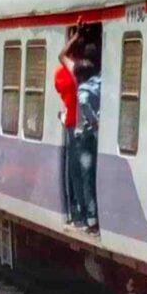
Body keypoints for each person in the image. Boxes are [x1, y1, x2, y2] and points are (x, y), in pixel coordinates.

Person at [56, 27, 83, 224]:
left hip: (72, 123)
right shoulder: (88, 71)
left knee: (75, 169)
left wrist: (74, 36)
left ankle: (78, 209)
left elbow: (61, 56)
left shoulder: (62, 73)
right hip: (87, 123)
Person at [73, 55, 101, 233]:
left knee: (87, 177)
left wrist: (93, 120)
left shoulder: (83, 88)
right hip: (100, 137)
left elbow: (83, 102)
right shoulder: (100, 82)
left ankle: (91, 219)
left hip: (87, 137)